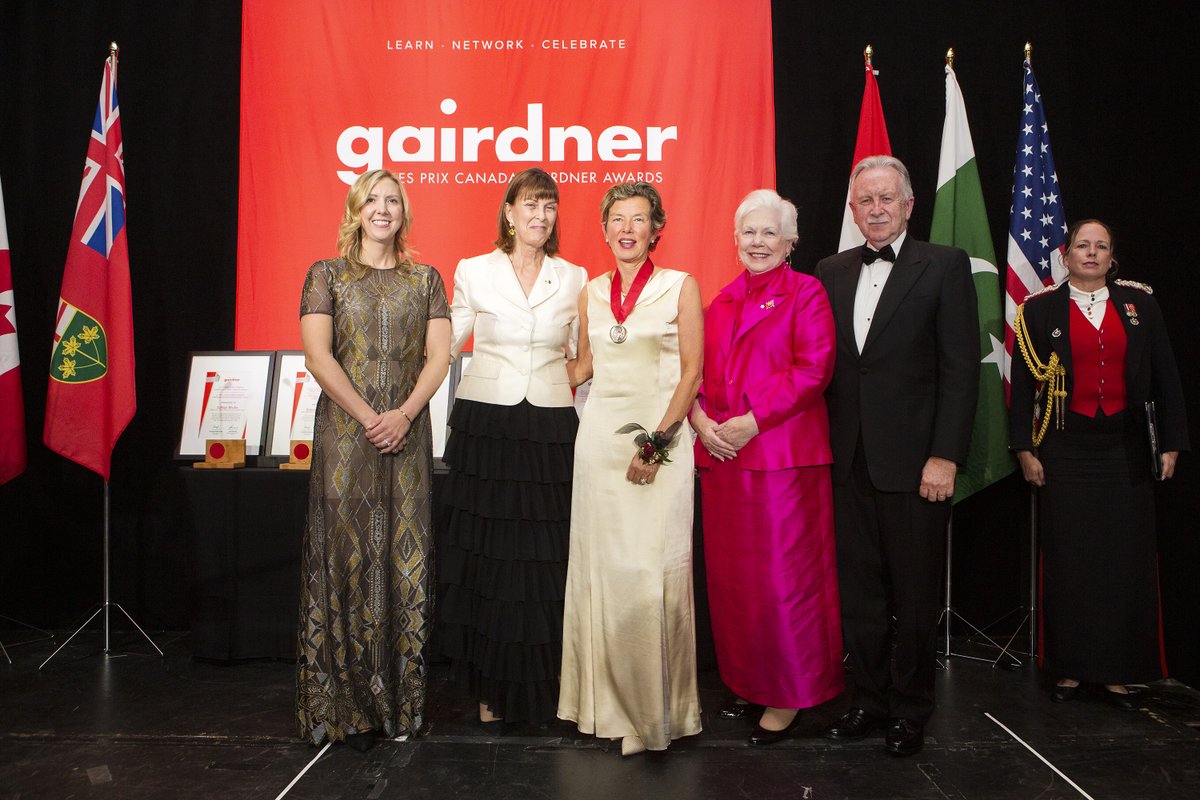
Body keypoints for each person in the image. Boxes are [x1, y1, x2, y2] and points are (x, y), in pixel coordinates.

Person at [814, 155, 979, 757]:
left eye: (887, 198)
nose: (876, 209)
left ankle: (911, 711)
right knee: (859, 597)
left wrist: (945, 456)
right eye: (866, 201)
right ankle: (867, 701)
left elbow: (961, 372)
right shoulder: (829, 271)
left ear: (909, 206)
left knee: (913, 597)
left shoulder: (944, 266)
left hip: (916, 468)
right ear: (853, 211)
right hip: (846, 461)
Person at [296, 169, 451, 751]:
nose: (382, 209)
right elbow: (317, 356)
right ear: (356, 210)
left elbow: (439, 358)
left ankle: (400, 706)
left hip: (407, 438)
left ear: (402, 213)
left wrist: (405, 414)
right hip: (346, 438)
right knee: (345, 556)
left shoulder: (426, 280)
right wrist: (369, 416)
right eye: (373, 200)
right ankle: (343, 708)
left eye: (392, 201)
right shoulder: (326, 275)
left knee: (404, 558)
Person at [1010, 219, 1187, 710]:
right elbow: (1024, 388)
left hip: (1126, 450)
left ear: (1113, 256)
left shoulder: (1140, 305)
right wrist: (1025, 448)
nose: (1091, 254)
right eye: (1082, 246)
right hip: (1065, 450)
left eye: (1101, 246)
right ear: (1066, 255)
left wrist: (1171, 443)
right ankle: (1069, 669)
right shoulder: (1039, 309)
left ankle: (1117, 672)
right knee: (1070, 561)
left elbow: (1167, 377)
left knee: (1123, 562)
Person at [691, 189, 844, 746]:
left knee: (787, 584)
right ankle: (751, 682)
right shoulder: (721, 301)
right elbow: (696, 374)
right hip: (725, 460)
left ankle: (790, 694)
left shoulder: (808, 293)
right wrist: (701, 421)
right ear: (735, 240)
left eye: (768, 233)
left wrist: (751, 422)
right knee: (738, 586)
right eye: (748, 233)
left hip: (782, 460)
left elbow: (813, 370)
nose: (757, 243)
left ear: (790, 242)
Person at [557, 182, 704, 756]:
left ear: (655, 228)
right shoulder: (591, 293)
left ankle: (655, 715)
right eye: (617, 219)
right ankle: (605, 708)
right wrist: (519, 352)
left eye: (638, 219)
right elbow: (584, 369)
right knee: (602, 578)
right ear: (604, 229)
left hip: (657, 444)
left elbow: (691, 374)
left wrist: (657, 445)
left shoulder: (679, 287)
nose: (626, 229)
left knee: (652, 578)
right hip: (598, 445)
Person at [438, 168, 588, 729]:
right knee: (491, 556)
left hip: (550, 426)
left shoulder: (573, 276)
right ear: (509, 212)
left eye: (549, 206)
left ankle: (543, 683)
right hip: (487, 426)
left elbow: (585, 357)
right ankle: (491, 687)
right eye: (530, 205)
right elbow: (447, 342)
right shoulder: (474, 271)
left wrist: (561, 378)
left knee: (542, 558)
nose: (540, 216)